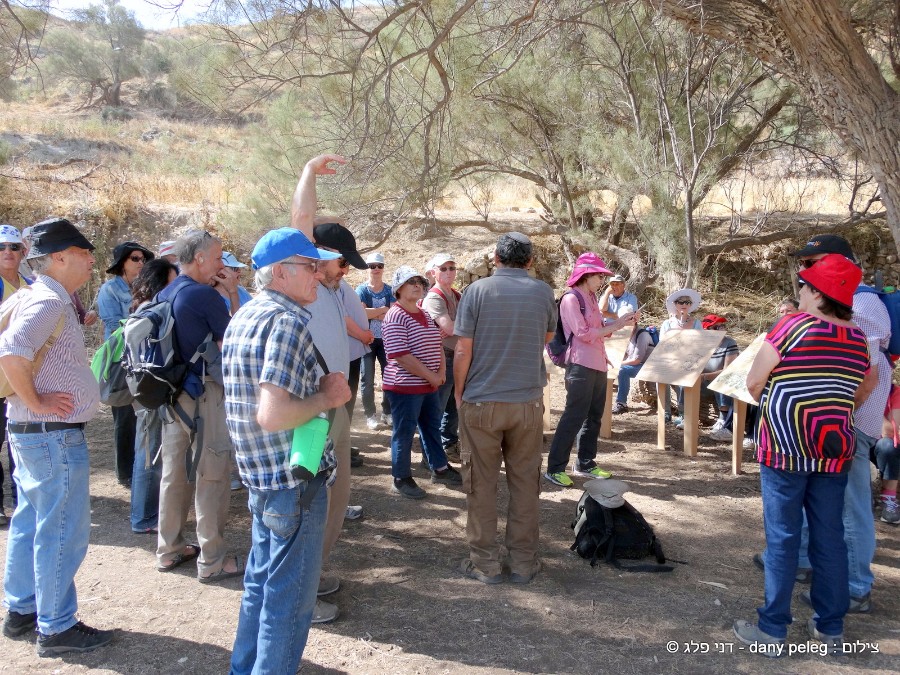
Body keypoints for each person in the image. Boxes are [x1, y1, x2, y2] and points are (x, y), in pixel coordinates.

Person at [223, 227, 348, 675]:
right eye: (310, 266)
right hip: (291, 484)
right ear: (280, 273)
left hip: (263, 479)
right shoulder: (286, 322)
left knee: (261, 585)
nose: (319, 274)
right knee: (290, 600)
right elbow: (273, 414)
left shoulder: (247, 314)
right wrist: (327, 399)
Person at [734, 253, 869, 655]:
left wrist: (781, 408)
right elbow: (859, 393)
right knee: (829, 537)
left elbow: (755, 380)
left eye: (805, 286)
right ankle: (830, 627)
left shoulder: (792, 327)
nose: (801, 292)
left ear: (818, 293)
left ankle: (773, 628)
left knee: (783, 537)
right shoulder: (857, 337)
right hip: (833, 450)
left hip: (784, 448)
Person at [0, 217, 115, 655]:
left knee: (32, 522)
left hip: (35, 432)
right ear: (60, 257)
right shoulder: (47, 300)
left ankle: (24, 610)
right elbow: (11, 351)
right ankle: (56, 626)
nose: (90, 261)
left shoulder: (45, 297)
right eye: (84, 254)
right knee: (61, 529)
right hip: (51, 434)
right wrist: (40, 400)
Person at [454, 232, 557, 585]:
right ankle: (524, 563)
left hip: (481, 401)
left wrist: (459, 392)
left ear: (495, 258)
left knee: (480, 485)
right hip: (527, 404)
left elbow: (463, 350)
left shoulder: (476, 291)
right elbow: (546, 338)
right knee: (525, 483)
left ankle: (485, 564)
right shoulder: (543, 292)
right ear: (529, 261)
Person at [155, 229, 242, 583]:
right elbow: (234, 340)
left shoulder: (167, 291)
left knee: (173, 473)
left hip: (172, 395)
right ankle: (213, 559)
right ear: (201, 257)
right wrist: (232, 295)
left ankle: (170, 549)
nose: (222, 264)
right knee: (213, 474)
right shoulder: (204, 296)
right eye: (219, 257)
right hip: (205, 394)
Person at [302, 218, 369, 623]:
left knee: (335, 496)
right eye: (342, 263)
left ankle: (311, 573)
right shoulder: (304, 292)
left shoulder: (331, 289)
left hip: (334, 410)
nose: (346, 272)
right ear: (319, 256)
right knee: (306, 501)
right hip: (310, 418)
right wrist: (309, 173)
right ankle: (299, 593)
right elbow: (300, 225)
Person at [544, 253, 637, 487]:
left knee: (594, 415)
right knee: (574, 415)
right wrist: (615, 325)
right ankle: (555, 468)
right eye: (599, 275)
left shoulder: (592, 297)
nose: (602, 280)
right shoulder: (570, 299)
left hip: (597, 362)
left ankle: (586, 462)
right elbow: (583, 333)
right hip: (579, 364)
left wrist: (620, 322)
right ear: (586, 275)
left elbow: (596, 327)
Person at [383, 266, 461, 499]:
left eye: (419, 281)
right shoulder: (395, 315)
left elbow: (437, 342)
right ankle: (401, 477)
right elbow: (401, 356)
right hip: (404, 386)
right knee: (404, 432)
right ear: (398, 289)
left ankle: (439, 467)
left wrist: (441, 370)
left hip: (428, 384)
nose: (417, 285)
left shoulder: (424, 313)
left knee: (431, 426)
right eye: (411, 282)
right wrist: (432, 376)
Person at [96, 241, 155, 487]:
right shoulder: (110, 290)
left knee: (145, 416)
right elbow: (113, 327)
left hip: (146, 359)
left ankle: (143, 467)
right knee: (124, 418)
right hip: (122, 360)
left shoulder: (147, 288)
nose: (141, 263)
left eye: (143, 259)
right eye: (135, 258)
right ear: (122, 263)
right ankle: (125, 473)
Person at [128, 258, 179, 534]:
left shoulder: (141, 308)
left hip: (144, 389)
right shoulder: (154, 312)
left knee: (146, 449)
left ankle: (145, 513)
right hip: (151, 390)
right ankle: (143, 517)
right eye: (173, 281)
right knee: (148, 453)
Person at [0, 224, 31, 527]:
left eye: (13, 247)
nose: (7, 252)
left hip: (21, 380)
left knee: (19, 445)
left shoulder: (30, 284)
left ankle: (22, 499)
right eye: (2, 247)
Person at [421, 253, 461, 460]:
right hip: (442, 357)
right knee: (437, 406)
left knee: (453, 404)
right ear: (433, 273)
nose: (448, 272)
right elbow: (449, 327)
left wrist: (459, 328)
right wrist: (465, 327)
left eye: (451, 268)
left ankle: (448, 444)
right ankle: (431, 455)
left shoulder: (455, 294)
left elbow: (454, 328)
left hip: (456, 355)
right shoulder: (435, 297)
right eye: (443, 268)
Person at [357, 252, 393, 429]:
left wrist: (373, 312)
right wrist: (382, 310)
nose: (376, 269)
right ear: (367, 268)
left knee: (389, 376)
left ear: (383, 268)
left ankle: (387, 412)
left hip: (387, 339)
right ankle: (370, 414)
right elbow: (361, 313)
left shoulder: (390, 290)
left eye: (379, 266)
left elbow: (392, 314)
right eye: (372, 266)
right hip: (367, 339)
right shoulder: (361, 290)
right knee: (367, 379)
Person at [660, 288, 702, 425]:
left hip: (690, 361)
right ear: (675, 304)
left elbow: (700, 344)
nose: (684, 304)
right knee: (660, 378)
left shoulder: (697, 324)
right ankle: (665, 412)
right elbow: (662, 344)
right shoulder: (667, 324)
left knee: (687, 377)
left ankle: (683, 413)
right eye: (681, 301)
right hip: (670, 361)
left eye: (687, 302)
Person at [698, 314, 739, 442]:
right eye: (716, 327)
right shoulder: (701, 344)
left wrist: (705, 376)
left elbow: (728, 370)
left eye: (722, 326)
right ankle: (685, 415)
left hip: (716, 380)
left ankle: (723, 418)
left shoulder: (729, 343)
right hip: (703, 382)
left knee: (721, 380)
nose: (721, 329)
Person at [611, 322, 656, 414]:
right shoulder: (627, 334)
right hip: (636, 364)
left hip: (647, 366)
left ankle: (621, 403)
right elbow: (625, 354)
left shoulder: (642, 335)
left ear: (634, 323)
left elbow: (637, 360)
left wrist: (617, 364)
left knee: (623, 371)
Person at [873, 385, 900, 524]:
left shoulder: (894, 392)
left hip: (879, 443)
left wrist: (872, 405)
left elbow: (889, 431)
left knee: (888, 445)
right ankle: (863, 495)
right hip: (857, 441)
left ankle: (888, 499)